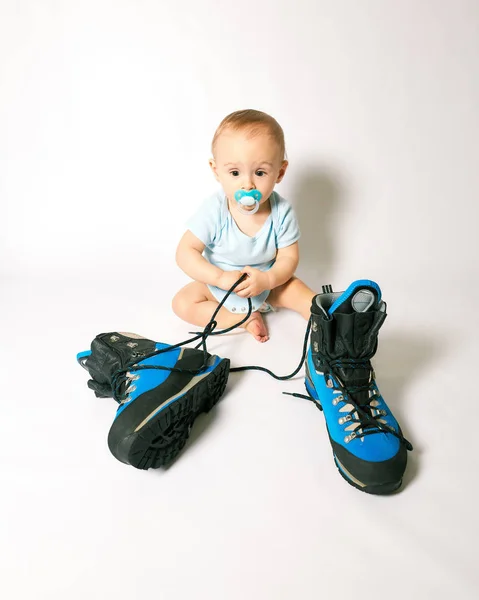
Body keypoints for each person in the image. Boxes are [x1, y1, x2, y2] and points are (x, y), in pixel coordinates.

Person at [172, 109, 316, 342]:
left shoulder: (282, 212)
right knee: (182, 303)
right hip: (221, 286)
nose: (247, 184)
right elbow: (185, 252)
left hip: (268, 283)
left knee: (301, 293)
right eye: (235, 172)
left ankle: (326, 321)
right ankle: (237, 319)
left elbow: (288, 259)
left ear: (279, 172)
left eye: (260, 172)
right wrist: (218, 277)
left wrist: (268, 280)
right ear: (216, 170)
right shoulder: (214, 210)